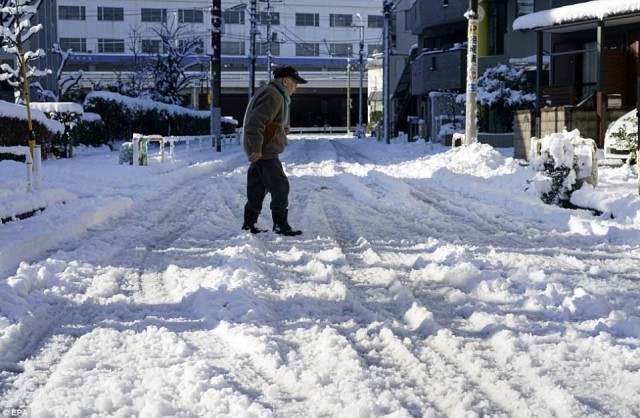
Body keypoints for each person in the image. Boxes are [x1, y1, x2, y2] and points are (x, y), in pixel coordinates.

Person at [241, 66, 307, 236]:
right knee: (280, 187)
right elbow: (255, 124)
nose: (295, 87)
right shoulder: (273, 95)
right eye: (294, 83)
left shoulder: (274, 93)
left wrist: (281, 128)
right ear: (285, 81)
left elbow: (267, 121)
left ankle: (249, 224)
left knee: (257, 187)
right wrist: (256, 148)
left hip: (264, 148)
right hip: (265, 151)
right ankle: (280, 224)